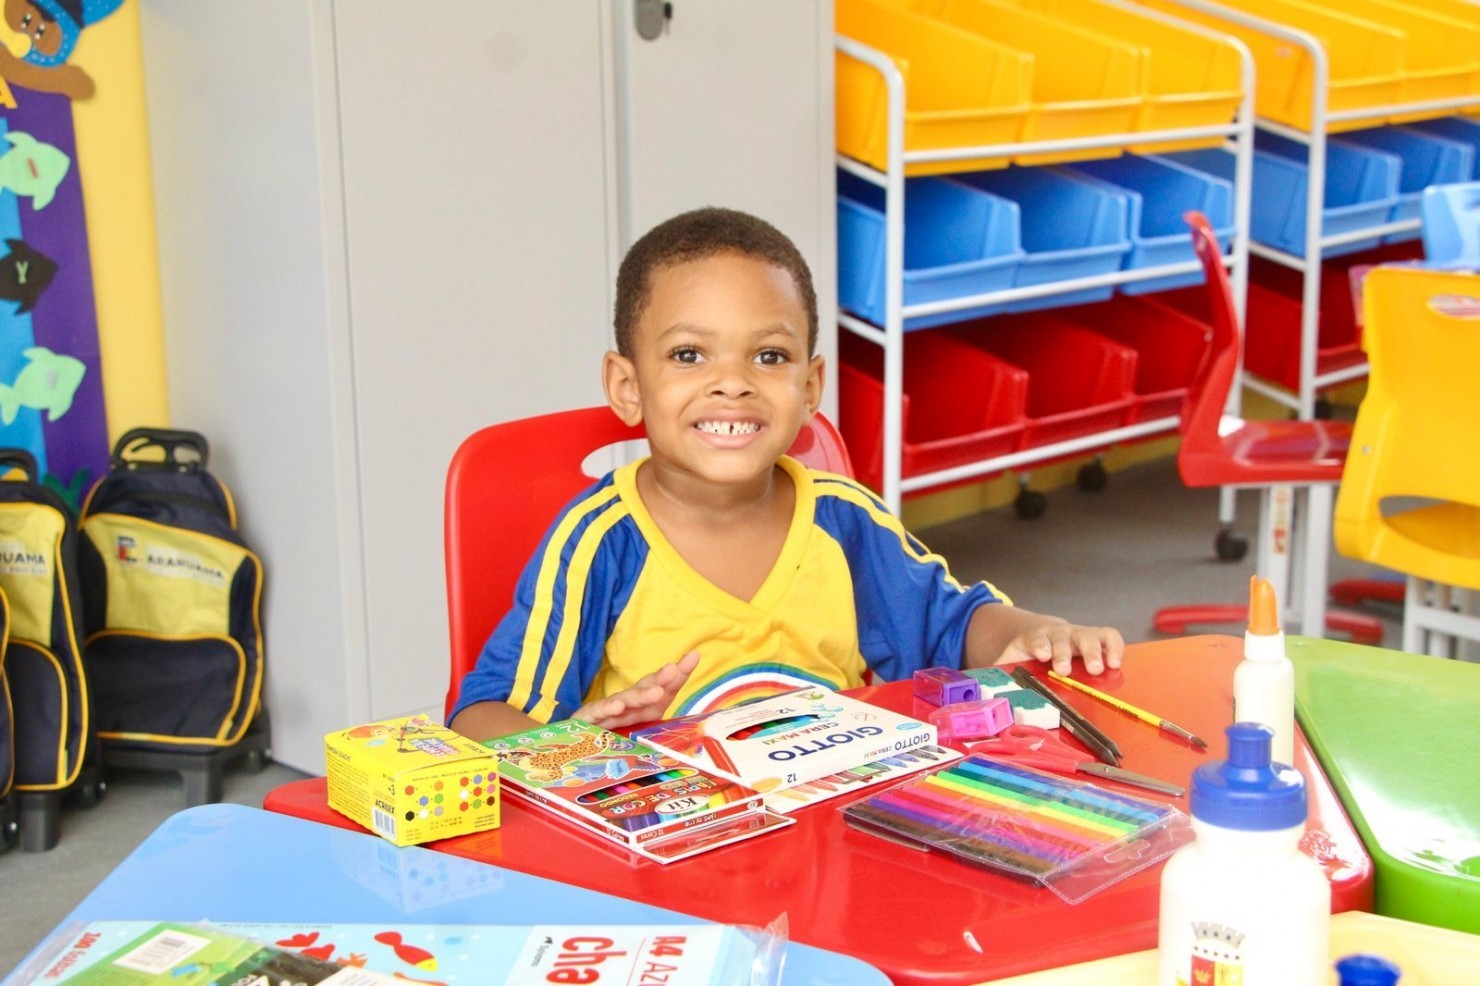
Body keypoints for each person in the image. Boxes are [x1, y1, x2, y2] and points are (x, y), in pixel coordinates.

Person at [449, 207, 1123, 742]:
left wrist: (1035, 632)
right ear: (627, 388)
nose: (732, 383)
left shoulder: (846, 518)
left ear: (810, 387)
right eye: (689, 354)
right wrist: (571, 743)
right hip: (668, 852)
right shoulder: (600, 543)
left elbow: (956, 625)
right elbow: (480, 718)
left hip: (835, 834)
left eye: (769, 356)